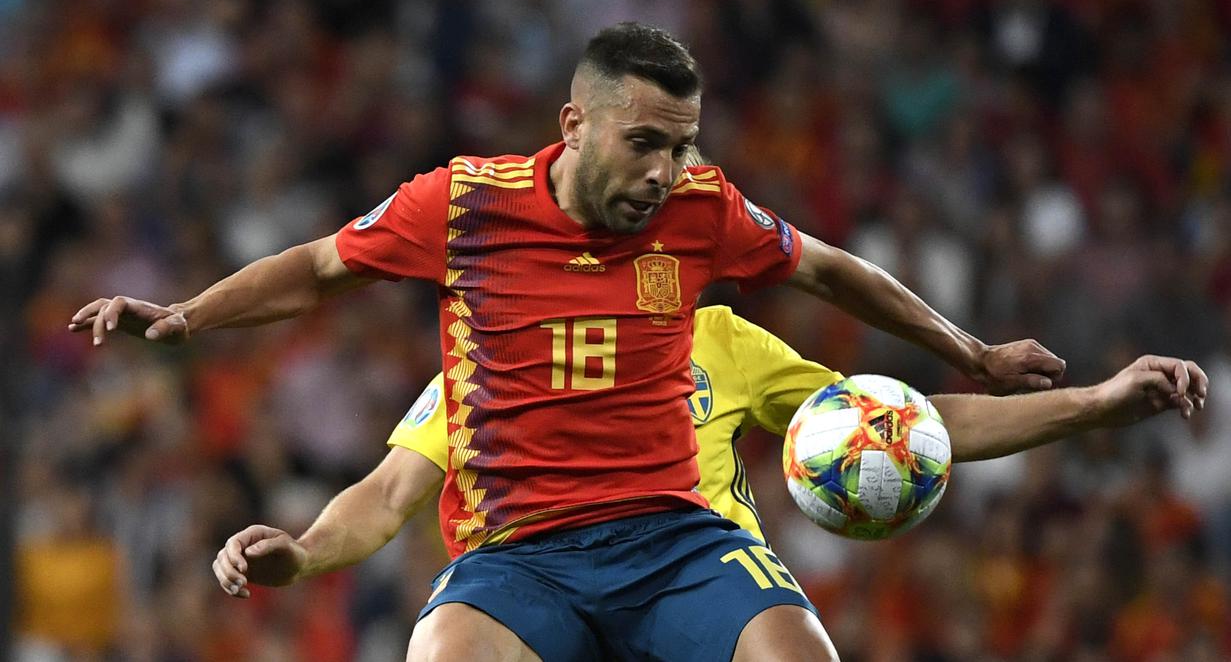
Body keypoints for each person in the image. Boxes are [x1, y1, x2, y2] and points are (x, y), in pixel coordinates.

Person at [71, 23, 1079, 661]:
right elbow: (320, 267)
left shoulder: (702, 209)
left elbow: (827, 268)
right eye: (644, 143)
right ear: (575, 125)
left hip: (676, 540)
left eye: (680, 145)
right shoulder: (463, 204)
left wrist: (972, 351)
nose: (665, 171)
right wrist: (190, 314)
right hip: (519, 556)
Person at [210, 306, 1205, 609]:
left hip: (698, 584)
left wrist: (1094, 403)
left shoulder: (718, 338)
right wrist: (300, 552)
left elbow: (898, 426)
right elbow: (389, 490)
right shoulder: (498, 355)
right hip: (540, 589)